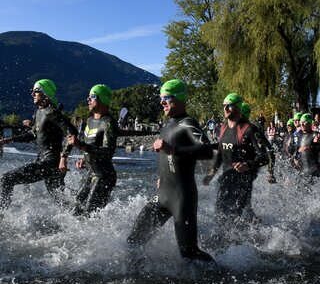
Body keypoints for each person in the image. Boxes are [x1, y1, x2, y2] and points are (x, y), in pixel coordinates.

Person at [127, 79, 214, 263]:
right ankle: (140, 277)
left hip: (181, 197)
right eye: (161, 98)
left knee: (189, 253)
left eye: (166, 97)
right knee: (134, 240)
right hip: (162, 195)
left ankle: (220, 275)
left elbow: (206, 150)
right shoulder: (167, 125)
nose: (162, 102)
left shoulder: (187, 123)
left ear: (180, 98)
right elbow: (168, 158)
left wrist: (173, 150)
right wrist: (162, 176)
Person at [0, 79, 77, 211]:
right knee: (60, 200)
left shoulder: (52, 112)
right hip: (44, 160)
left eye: (36, 91)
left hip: (50, 163)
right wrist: (8, 140)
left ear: (45, 93)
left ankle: (1, 216)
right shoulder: (39, 112)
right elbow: (33, 134)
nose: (32, 94)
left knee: (6, 179)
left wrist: (63, 158)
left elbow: (72, 132)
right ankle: (81, 216)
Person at [203, 93, 269, 221]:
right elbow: (221, 152)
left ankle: (252, 238)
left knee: (235, 218)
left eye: (230, 106)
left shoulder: (249, 129)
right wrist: (211, 173)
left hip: (243, 181)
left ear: (238, 108)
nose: (226, 109)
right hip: (226, 179)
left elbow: (265, 156)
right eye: (224, 106)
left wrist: (248, 165)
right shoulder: (222, 128)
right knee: (220, 215)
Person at [65, 84, 118, 216]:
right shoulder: (89, 120)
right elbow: (93, 145)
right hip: (92, 175)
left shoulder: (109, 123)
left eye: (92, 97)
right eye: (88, 97)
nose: (88, 99)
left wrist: (82, 146)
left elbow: (108, 152)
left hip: (104, 176)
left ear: (103, 100)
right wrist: (84, 158)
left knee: (88, 215)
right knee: (74, 211)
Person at [241, 102, 276, 184]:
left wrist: (270, 172)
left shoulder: (253, 130)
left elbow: (270, 151)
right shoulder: (234, 130)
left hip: (249, 170)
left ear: (241, 115)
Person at [293, 113, 320, 178]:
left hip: (313, 169)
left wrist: (310, 147)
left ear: (309, 123)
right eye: (301, 122)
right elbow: (298, 147)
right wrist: (296, 157)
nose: (302, 124)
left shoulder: (315, 134)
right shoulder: (299, 134)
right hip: (302, 170)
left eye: (304, 122)